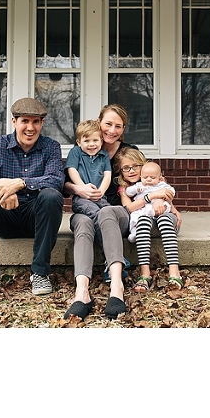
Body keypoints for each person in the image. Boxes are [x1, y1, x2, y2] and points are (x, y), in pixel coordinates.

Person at [62, 104, 178, 320]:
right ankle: (82, 292)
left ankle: (117, 287)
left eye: (118, 126)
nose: (112, 130)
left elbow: (152, 182)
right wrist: (79, 189)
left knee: (107, 212)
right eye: (108, 124)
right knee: (83, 223)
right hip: (86, 207)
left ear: (123, 129)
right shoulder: (82, 147)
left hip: (120, 213)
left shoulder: (129, 152)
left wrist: (171, 206)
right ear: (99, 122)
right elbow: (65, 183)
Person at [0, 97, 65, 297]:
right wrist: (1, 189)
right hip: (4, 217)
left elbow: (56, 180)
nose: (30, 128)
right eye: (25, 121)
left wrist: (20, 183)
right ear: (14, 121)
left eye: (36, 122)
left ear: (42, 123)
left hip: (35, 219)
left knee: (51, 196)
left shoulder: (51, 147)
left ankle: (40, 273)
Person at [115, 148, 183, 291]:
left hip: (165, 221)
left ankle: (174, 272)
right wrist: (152, 197)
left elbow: (168, 197)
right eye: (126, 168)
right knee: (142, 221)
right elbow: (129, 208)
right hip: (146, 224)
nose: (131, 171)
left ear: (143, 166)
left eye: (136, 166)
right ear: (121, 171)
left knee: (164, 219)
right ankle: (145, 274)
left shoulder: (157, 180)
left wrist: (161, 200)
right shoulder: (125, 189)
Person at [64, 119, 111, 228]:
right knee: (95, 213)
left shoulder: (104, 155)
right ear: (78, 142)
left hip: (100, 198)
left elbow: (107, 175)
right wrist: (83, 188)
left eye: (95, 140)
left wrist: (100, 192)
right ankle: (104, 235)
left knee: (109, 212)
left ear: (101, 141)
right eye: (86, 141)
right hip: (81, 198)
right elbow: (72, 170)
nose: (91, 144)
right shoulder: (76, 152)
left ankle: (106, 231)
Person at [124, 161, 175, 243]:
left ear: (159, 178)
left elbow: (171, 191)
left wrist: (161, 198)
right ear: (141, 177)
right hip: (144, 208)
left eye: (152, 178)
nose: (148, 180)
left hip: (159, 207)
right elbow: (128, 192)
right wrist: (136, 189)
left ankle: (154, 217)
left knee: (166, 206)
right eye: (145, 177)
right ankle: (134, 232)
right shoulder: (139, 185)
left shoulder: (161, 185)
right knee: (134, 216)